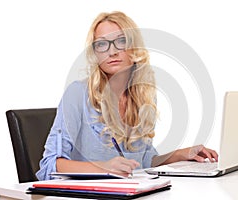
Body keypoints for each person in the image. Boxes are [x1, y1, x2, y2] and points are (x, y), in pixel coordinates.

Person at [36, 11, 218, 181]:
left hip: (131, 191)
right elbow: (50, 165)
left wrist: (180, 154)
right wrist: (103, 168)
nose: (112, 51)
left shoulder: (143, 96)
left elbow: (143, 161)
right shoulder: (77, 93)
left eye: (121, 41)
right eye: (101, 44)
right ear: (95, 53)